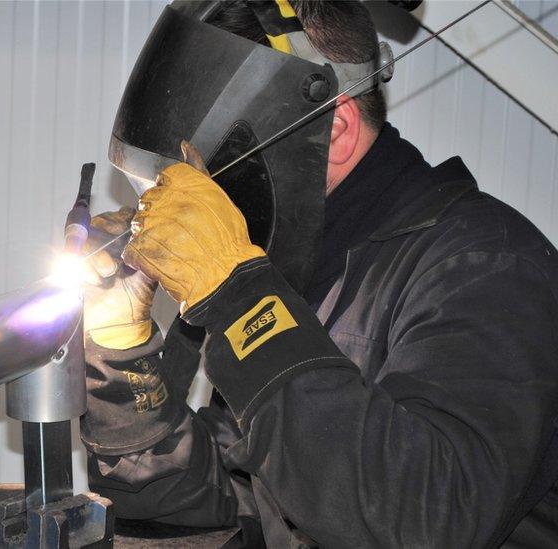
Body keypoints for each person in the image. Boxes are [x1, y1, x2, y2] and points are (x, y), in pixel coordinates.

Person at [79, 1, 558, 547]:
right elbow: (221, 509)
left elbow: (427, 519)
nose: (182, 212)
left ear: (333, 132)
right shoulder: (292, 266)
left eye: (203, 181)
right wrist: (123, 352)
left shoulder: (485, 269)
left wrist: (237, 296)